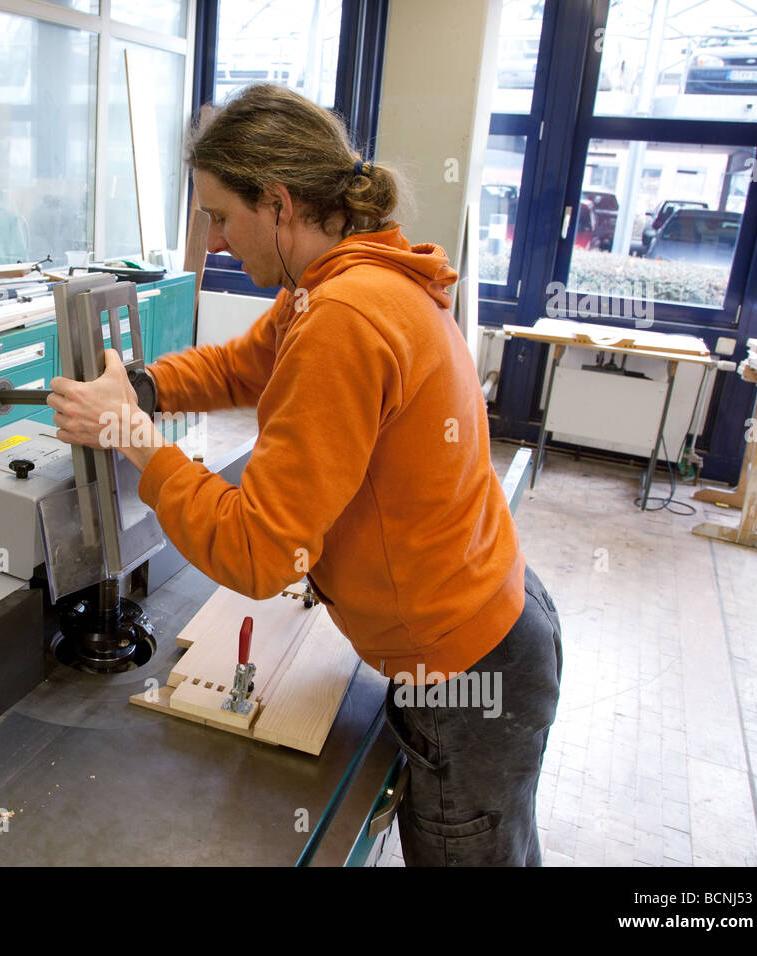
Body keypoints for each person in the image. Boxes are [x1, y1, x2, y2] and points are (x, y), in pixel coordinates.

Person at [47, 83, 563, 866]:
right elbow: (243, 365)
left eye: (220, 216)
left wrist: (132, 438)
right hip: (491, 630)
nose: (213, 241)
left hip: (466, 674)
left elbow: (258, 554)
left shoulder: (344, 320)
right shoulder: (338, 284)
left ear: (280, 202)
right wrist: (143, 388)